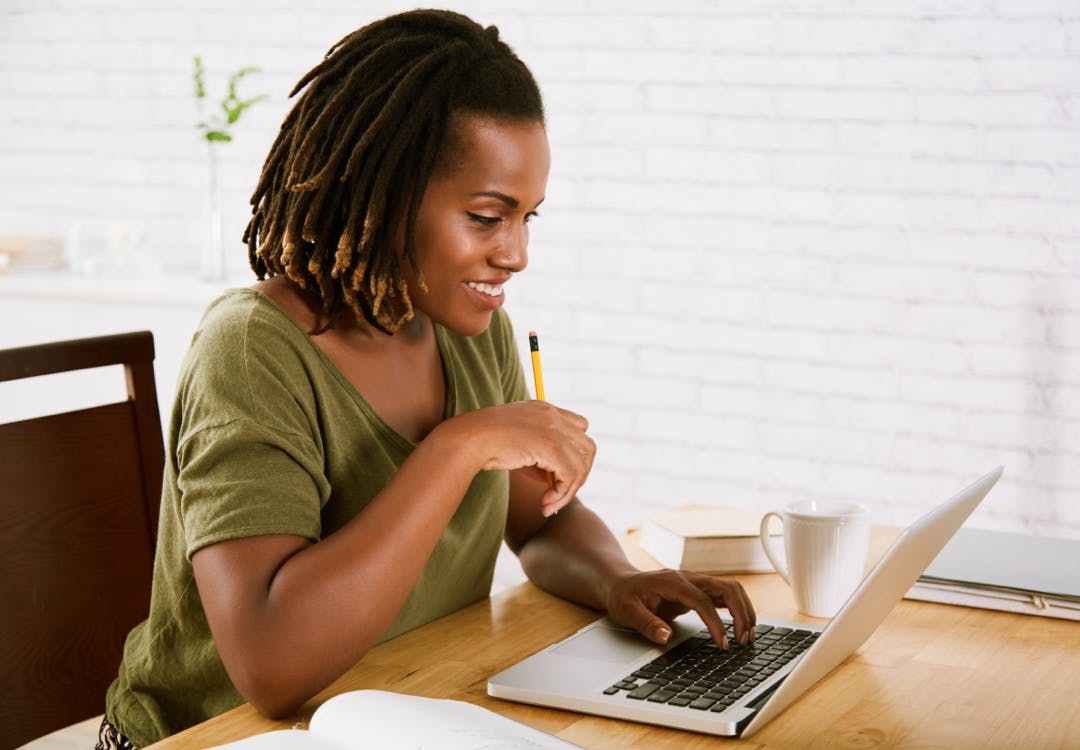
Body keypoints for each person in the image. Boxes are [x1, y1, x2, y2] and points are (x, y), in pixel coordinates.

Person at [99, 9, 756, 748]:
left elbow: (538, 523)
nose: (516, 254)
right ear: (380, 195)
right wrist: (456, 448)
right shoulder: (253, 351)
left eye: (528, 218)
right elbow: (270, 669)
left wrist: (616, 578)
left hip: (404, 712)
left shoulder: (472, 333)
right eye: (486, 217)